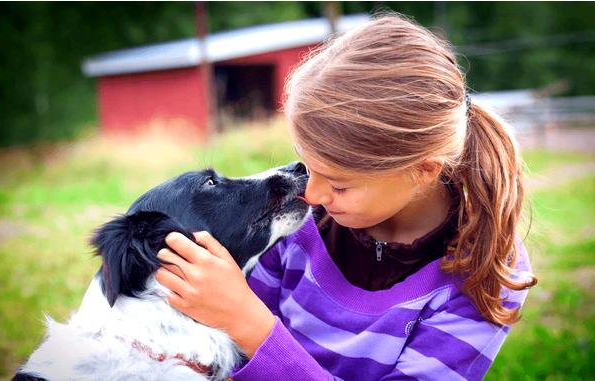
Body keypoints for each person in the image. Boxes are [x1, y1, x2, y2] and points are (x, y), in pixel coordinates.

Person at [154, 13, 537, 381]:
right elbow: (225, 357)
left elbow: (245, 325)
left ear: (424, 169)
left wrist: (248, 322)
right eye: (306, 166)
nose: (310, 194)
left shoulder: (484, 269)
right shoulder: (294, 224)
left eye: (339, 185)